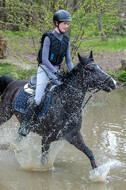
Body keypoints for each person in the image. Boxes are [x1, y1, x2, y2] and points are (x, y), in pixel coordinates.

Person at [19, 10, 74, 136]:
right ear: (56, 23)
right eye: (64, 23)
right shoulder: (48, 38)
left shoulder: (66, 40)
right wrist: (55, 72)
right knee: (38, 99)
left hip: (56, 71)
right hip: (44, 69)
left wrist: (74, 73)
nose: (66, 26)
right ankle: (25, 126)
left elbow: (69, 61)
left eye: (67, 24)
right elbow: (44, 59)